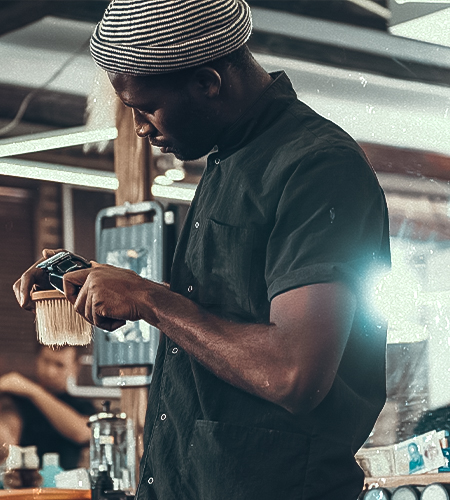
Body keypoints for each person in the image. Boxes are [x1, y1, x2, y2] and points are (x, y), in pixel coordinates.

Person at [13, 0, 391, 498]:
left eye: (145, 107)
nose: (142, 128)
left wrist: (149, 298)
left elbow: (293, 373)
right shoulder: (229, 165)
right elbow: (229, 317)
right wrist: (117, 284)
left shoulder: (316, 167)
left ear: (208, 82)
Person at [0, 345, 95, 470]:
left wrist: (33, 391)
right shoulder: (17, 399)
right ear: (37, 359)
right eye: (46, 361)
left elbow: (83, 433)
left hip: (65, 484)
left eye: (59, 365)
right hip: (22, 482)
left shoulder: (82, 404)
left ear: (76, 367)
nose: (50, 372)